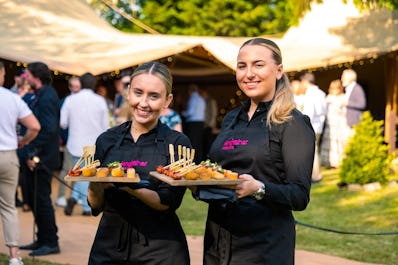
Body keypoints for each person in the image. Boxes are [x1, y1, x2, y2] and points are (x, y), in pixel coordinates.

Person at [196, 38, 315, 265]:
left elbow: (299, 196)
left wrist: (258, 188)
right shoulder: (232, 118)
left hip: (263, 246)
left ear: (278, 70)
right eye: (242, 66)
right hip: (217, 239)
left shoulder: (293, 123)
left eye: (258, 65)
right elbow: (217, 170)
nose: (249, 73)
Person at [87, 62, 191, 265]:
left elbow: (168, 202)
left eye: (153, 96)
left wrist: (130, 186)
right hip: (109, 245)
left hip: (160, 249)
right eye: (138, 93)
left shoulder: (178, 143)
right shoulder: (106, 140)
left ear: (167, 100)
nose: (143, 103)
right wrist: (96, 185)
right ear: (128, 93)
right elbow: (95, 204)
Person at [0, 61, 41, 265]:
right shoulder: (12, 98)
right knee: (8, 207)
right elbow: (34, 126)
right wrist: (22, 141)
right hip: (8, 155)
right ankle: (14, 257)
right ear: (1, 74)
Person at [18, 62, 61, 256]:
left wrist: (32, 151)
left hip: (42, 158)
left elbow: (49, 129)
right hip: (36, 155)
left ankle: (51, 241)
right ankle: (42, 239)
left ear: (36, 76)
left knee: (42, 200)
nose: (25, 78)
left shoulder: (47, 97)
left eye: (27, 74)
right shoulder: (42, 94)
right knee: (35, 199)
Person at [61, 73, 109, 216]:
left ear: (80, 83)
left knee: (81, 174)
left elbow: (63, 123)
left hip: (75, 143)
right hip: (94, 143)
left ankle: (76, 199)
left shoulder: (70, 100)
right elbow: (105, 126)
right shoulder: (100, 101)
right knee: (87, 175)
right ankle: (85, 206)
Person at [55, 76, 82, 207]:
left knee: (80, 171)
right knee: (66, 170)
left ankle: (75, 196)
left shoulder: (85, 101)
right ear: (70, 87)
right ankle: (60, 196)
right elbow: (61, 124)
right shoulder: (65, 101)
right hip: (69, 141)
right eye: (74, 87)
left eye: (79, 87)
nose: (77, 89)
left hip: (83, 141)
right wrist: (63, 139)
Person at [299, 72, 327, 183]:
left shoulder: (310, 94)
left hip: (310, 125)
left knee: (310, 152)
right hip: (319, 125)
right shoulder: (321, 93)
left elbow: (309, 113)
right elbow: (324, 111)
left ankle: (315, 176)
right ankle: (315, 175)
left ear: (306, 81)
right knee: (315, 150)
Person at [320, 79, 351, 168]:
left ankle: (340, 162)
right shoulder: (328, 97)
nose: (335, 90)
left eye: (336, 88)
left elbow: (346, 111)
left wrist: (338, 106)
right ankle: (329, 162)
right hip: (330, 124)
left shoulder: (343, 97)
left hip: (340, 123)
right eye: (333, 88)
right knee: (330, 143)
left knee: (340, 143)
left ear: (340, 88)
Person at [182, 83, 206, 163]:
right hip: (201, 123)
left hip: (193, 124)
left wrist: (183, 113)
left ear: (190, 91)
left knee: (193, 143)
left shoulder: (193, 98)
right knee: (199, 143)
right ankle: (199, 161)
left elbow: (190, 112)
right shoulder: (201, 98)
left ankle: (193, 162)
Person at [199, 87, 219, 157]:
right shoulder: (202, 101)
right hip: (204, 125)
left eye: (201, 93)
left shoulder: (211, 101)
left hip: (209, 125)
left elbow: (214, 113)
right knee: (204, 143)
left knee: (208, 143)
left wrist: (210, 124)